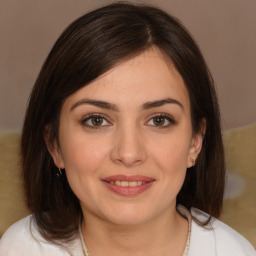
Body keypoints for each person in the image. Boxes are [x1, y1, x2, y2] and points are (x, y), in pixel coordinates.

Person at [0, 2, 255, 256]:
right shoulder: (20, 248)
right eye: (97, 120)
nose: (129, 153)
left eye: (158, 120)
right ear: (54, 144)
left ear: (195, 142)